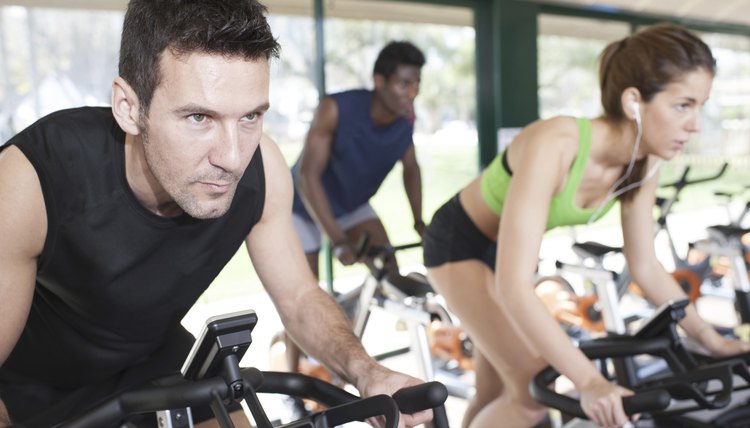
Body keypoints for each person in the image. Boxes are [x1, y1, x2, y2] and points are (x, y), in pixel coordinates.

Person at [0, 1, 432, 427]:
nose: (231, 158)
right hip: (30, 390)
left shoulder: (263, 168)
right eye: (198, 117)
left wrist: (367, 372)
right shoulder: (33, 179)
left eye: (250, 117)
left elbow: (299, 296)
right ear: (129, 108)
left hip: (152, 368)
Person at [423, 23, 750, 428]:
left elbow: (645, 266)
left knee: (496, 391)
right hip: (460, 245)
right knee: (529, 397)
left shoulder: (644, 162)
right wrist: (590, 381)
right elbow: (514, 286)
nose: (696, 124)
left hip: (502, 252)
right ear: (634, 101)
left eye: (701, 106)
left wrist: (709, 337)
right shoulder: (556, 143)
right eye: (683, 105)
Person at [290, 40, 426, 277]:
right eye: (404, 83)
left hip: (351, 206)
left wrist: (418, 222)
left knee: (389, 273)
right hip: (300, 206)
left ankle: (359, 312)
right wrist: (338, 240)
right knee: (306, 295)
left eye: (416, 84)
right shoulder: (335, 108)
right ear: (379, 81)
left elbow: (411, 169)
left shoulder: (405, 121)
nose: (413, 93)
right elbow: (307, 176)